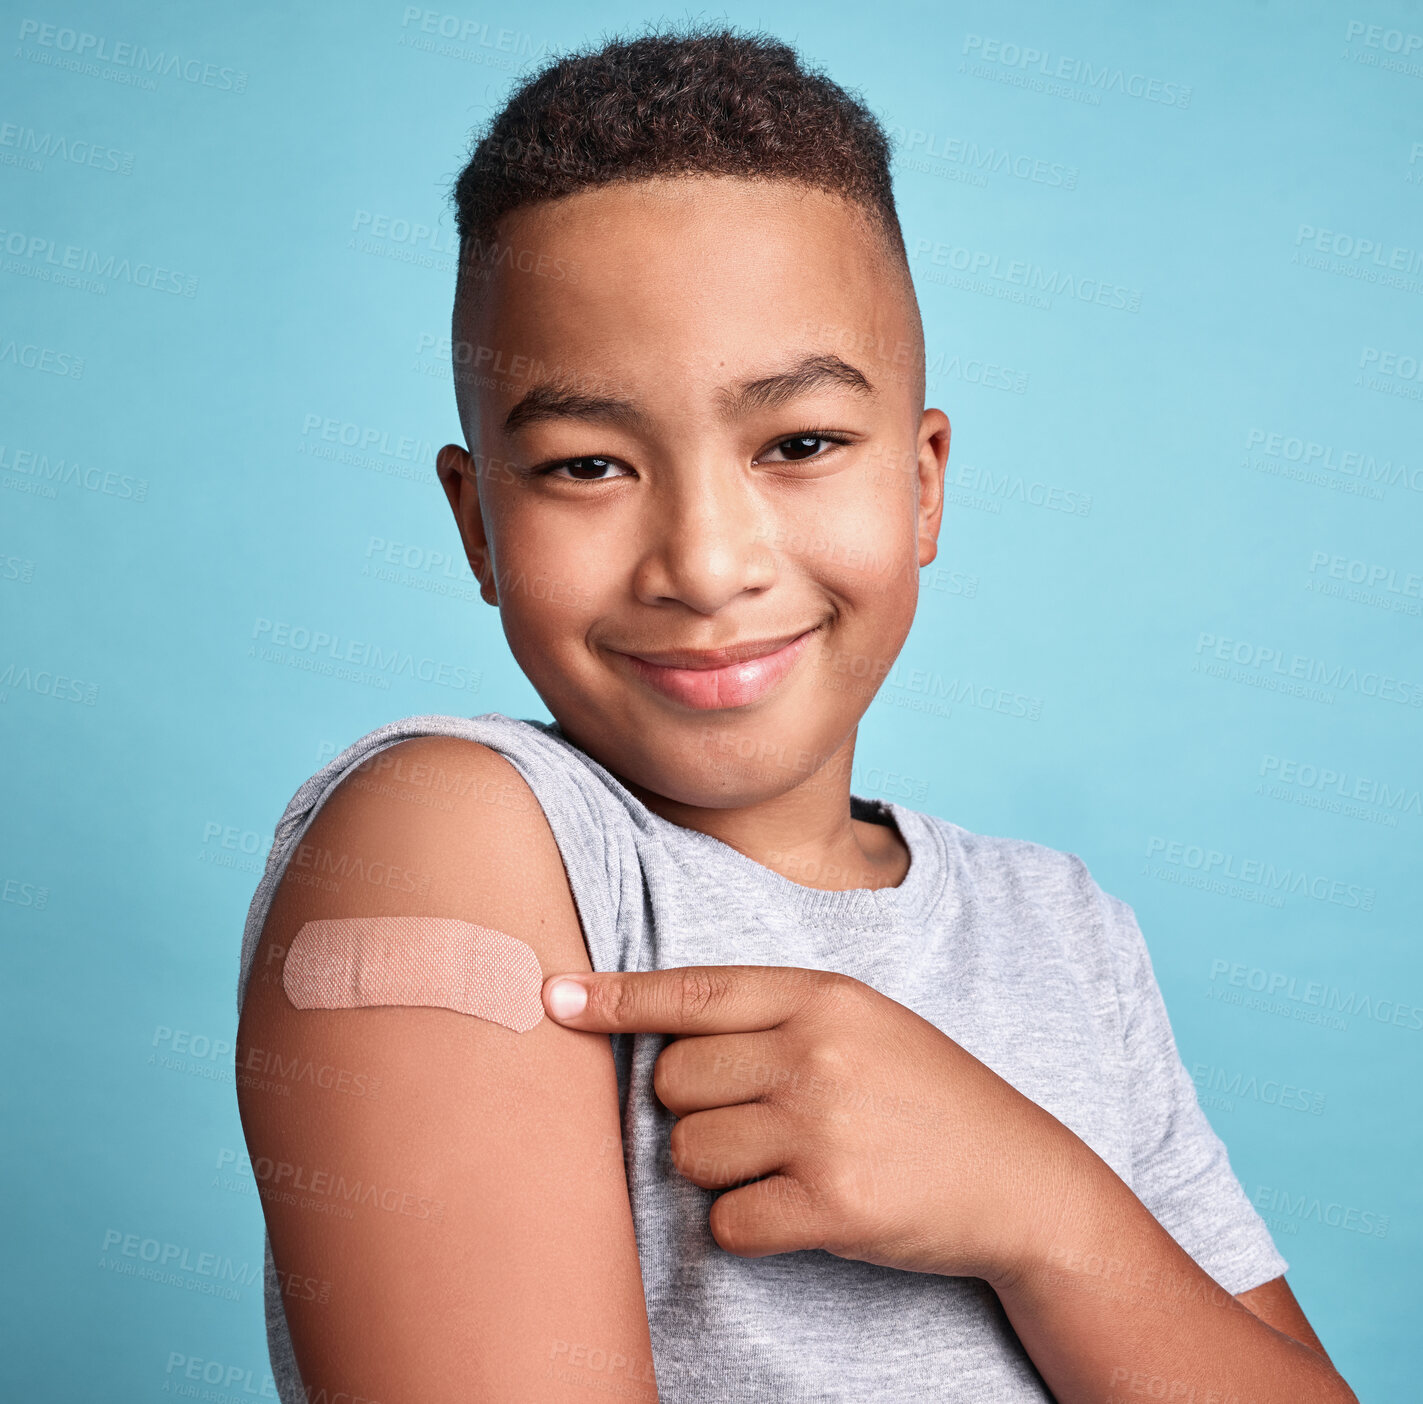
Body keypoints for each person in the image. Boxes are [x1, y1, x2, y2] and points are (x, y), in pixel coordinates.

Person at [234, 24, 1357, 1404]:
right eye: (588, 464)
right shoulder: (452, 841)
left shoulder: (1066, 932)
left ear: (926, 481)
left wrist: (1043, 1211)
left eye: (802, 444)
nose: (706, 562)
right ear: (477, 525)